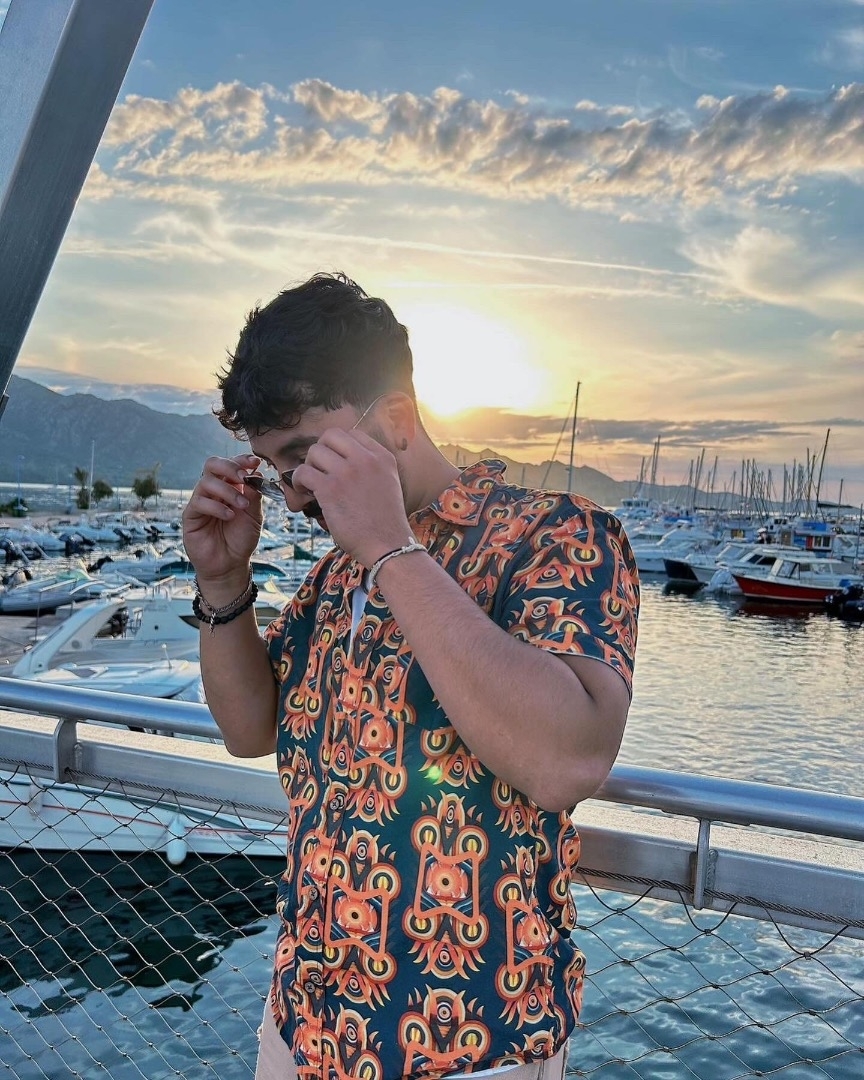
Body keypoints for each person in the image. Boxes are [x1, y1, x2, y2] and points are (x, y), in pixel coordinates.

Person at [181, 272, 639, 1080]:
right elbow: (248, 730)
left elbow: (570, 760)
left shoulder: (555, 536)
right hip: (306, 1026)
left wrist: (392, 550)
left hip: (472, 1043)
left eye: (305, 458)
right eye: (274, 471)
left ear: (394, 420)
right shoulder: (333, 578)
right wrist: (222, 581)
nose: (294, 496)